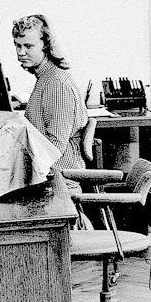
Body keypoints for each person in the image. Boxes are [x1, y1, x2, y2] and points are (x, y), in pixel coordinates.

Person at [12, 15, 89, 183]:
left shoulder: (56, 83)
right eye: (17, 45)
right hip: (47, 177)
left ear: (46, 46)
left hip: (57, 182)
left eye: (28, 46)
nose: (20, 52)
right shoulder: (46, 78)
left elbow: (53, 148)